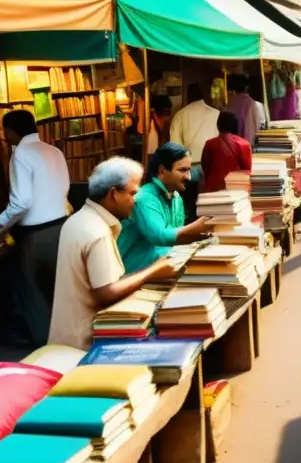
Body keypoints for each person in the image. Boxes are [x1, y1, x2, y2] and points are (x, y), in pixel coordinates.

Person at [50, 157, 178, 350]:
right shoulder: (97, 231)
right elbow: (106, 293)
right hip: (87, 340)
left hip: (68, 333)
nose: (136, 201)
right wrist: (154, 270)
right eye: (132, 193)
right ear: (113, 194)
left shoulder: (78, 219)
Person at [0, 110, 70, 345]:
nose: (4, 136)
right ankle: (65, 337)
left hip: (36, 235)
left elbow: (21, 202)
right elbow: (64, 188)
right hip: (61, 227)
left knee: (32, 291)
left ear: (12, 131)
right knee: (57, 288)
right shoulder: (54, 151)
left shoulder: (21, 155)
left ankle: (44, 344)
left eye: (4, 131)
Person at [117, 142, 212, 273]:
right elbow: (160, 237)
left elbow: (177, 238)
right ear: (162, 170)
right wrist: (199, 226)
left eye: (189, 170)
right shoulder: (144, 198)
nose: (188, 177)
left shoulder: (176, 197)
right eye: (182, 170)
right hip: (132, 273)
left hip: (159, 268)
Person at [169, 83, 219, 221]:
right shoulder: (216, 114)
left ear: (188, 96)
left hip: (189, 169)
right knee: (210, 207)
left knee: (189, 207)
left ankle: (190, 231)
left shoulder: (180, 115)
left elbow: (174, 146)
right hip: (211, 168)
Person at [201, 111, 253, 193]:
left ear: (218, 126)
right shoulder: (244, 144)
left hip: (212, 190)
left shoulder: (209, 144)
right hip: (237, 191)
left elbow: (205, 167)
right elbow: (248, 170)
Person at [227, 74, 262, 145]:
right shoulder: (250, 102)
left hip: (232, 143)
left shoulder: (231, 102)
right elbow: (256, 124)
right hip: (246, 142)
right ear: (246, 87)